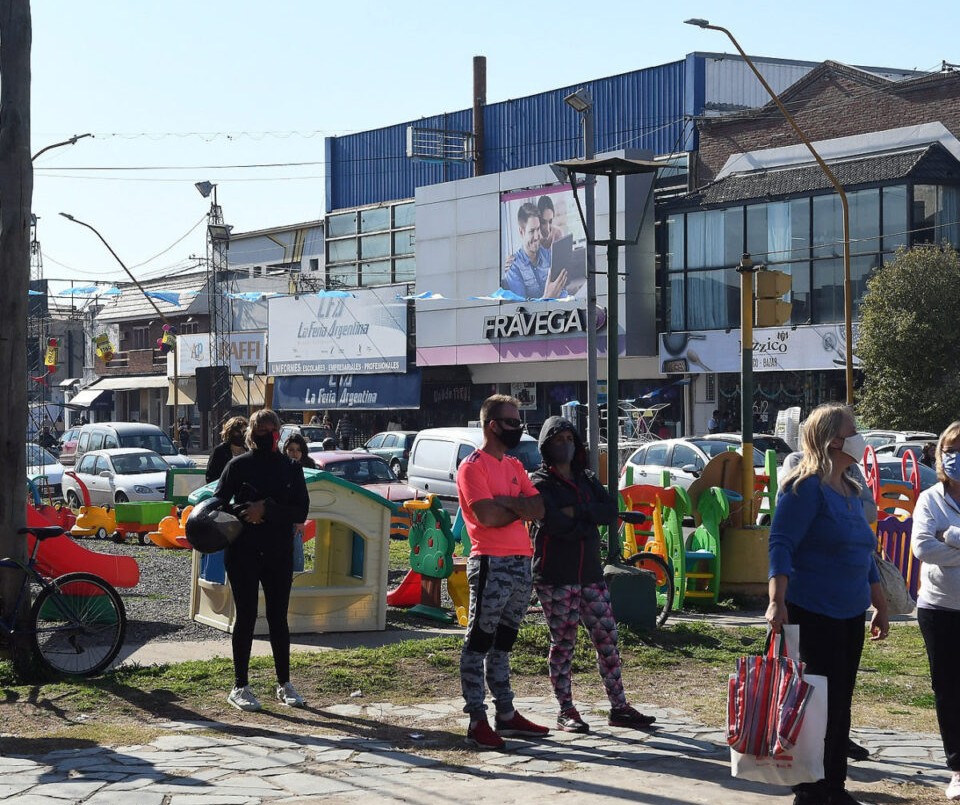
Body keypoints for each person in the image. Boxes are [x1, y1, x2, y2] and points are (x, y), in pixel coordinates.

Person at [768, 403, 889, 805]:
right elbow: (781, 544)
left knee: (839, 704)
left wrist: (880, 604)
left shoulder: (851, 490)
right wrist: (776, 600)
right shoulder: (803, 488)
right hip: (811, 611)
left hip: (850, 613)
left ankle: (833, 785)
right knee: (812, 705)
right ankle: (810, 788)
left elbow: (864, 554)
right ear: (835, 439)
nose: (859, 437)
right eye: (854, 430)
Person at [529, 416, 657, 733]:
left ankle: (619, 707)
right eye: (559, 440)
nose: (566, 446)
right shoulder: (540, 483)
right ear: (547, 446)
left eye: (570, 439)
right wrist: (585, 517)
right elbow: (553, 522)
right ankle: (566, 710)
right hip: (555, 576)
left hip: (590, 575)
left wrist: (577, 512)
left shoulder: (586, 479)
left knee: (608, 640)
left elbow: (609, 509)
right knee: (563, 644)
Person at [457, 394, 548, 750]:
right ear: (492, 425)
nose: (518, 427)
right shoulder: (472, 467)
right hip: (491, 562)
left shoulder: (513, 465)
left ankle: (506, 715)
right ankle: (477, 720)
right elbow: (487, 517)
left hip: (521, 562)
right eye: (512, 422)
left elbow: (539, 507)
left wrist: (508, 502)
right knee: (479, 641)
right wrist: (518, 507)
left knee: (504, 643)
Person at [213, 409, 310, 712]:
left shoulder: (291, 469)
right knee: (246, 616)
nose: (266, 434)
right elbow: (217, 503)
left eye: (270, 429)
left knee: (278, 617)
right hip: (242, 551)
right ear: (252, 433)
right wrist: (243, 511)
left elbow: (300, 512)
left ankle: (285, 683)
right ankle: (240, 685)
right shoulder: (236, 466)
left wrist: (265, 509)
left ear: (277, 434)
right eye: (261, 429)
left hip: (278, 551)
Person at [912, 421, 960, 801]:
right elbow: (924, 549)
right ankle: (958, 767)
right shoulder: (930, 498)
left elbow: (939, 544)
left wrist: (954, 537)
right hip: (940, 608)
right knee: (948, 688)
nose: (954, 457)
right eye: (950, 449)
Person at [502, 202, 567, 300]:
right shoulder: (514, 267)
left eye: (538, 229)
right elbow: (521, 308)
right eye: (532, 231)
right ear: (521, 232)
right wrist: (547, 298)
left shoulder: (549, 256)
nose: (537, 236)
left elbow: (563, 292)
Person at [206, 416, 249, 483]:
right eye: (238, 431)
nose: (241, 434)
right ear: (230, 432)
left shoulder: (249, 451)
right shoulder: (220, 451)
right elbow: (211, 475)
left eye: (244, 431)